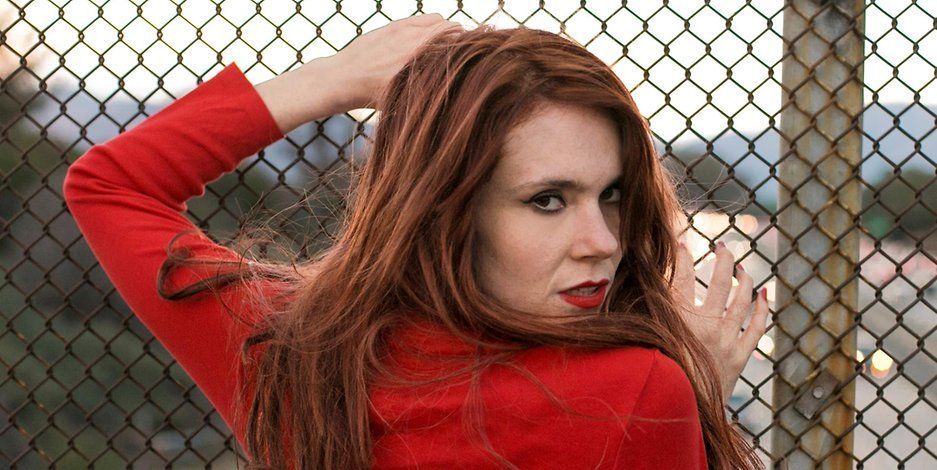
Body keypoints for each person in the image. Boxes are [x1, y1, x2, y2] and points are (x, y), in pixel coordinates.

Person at [63, 13, 769, 469]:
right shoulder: (638, 388)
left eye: (610, 195)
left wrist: (336, 78)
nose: (602, 241)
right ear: (447, 214)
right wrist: (693, 402)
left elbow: (110, 184)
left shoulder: (288, 351)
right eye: (546, 200)